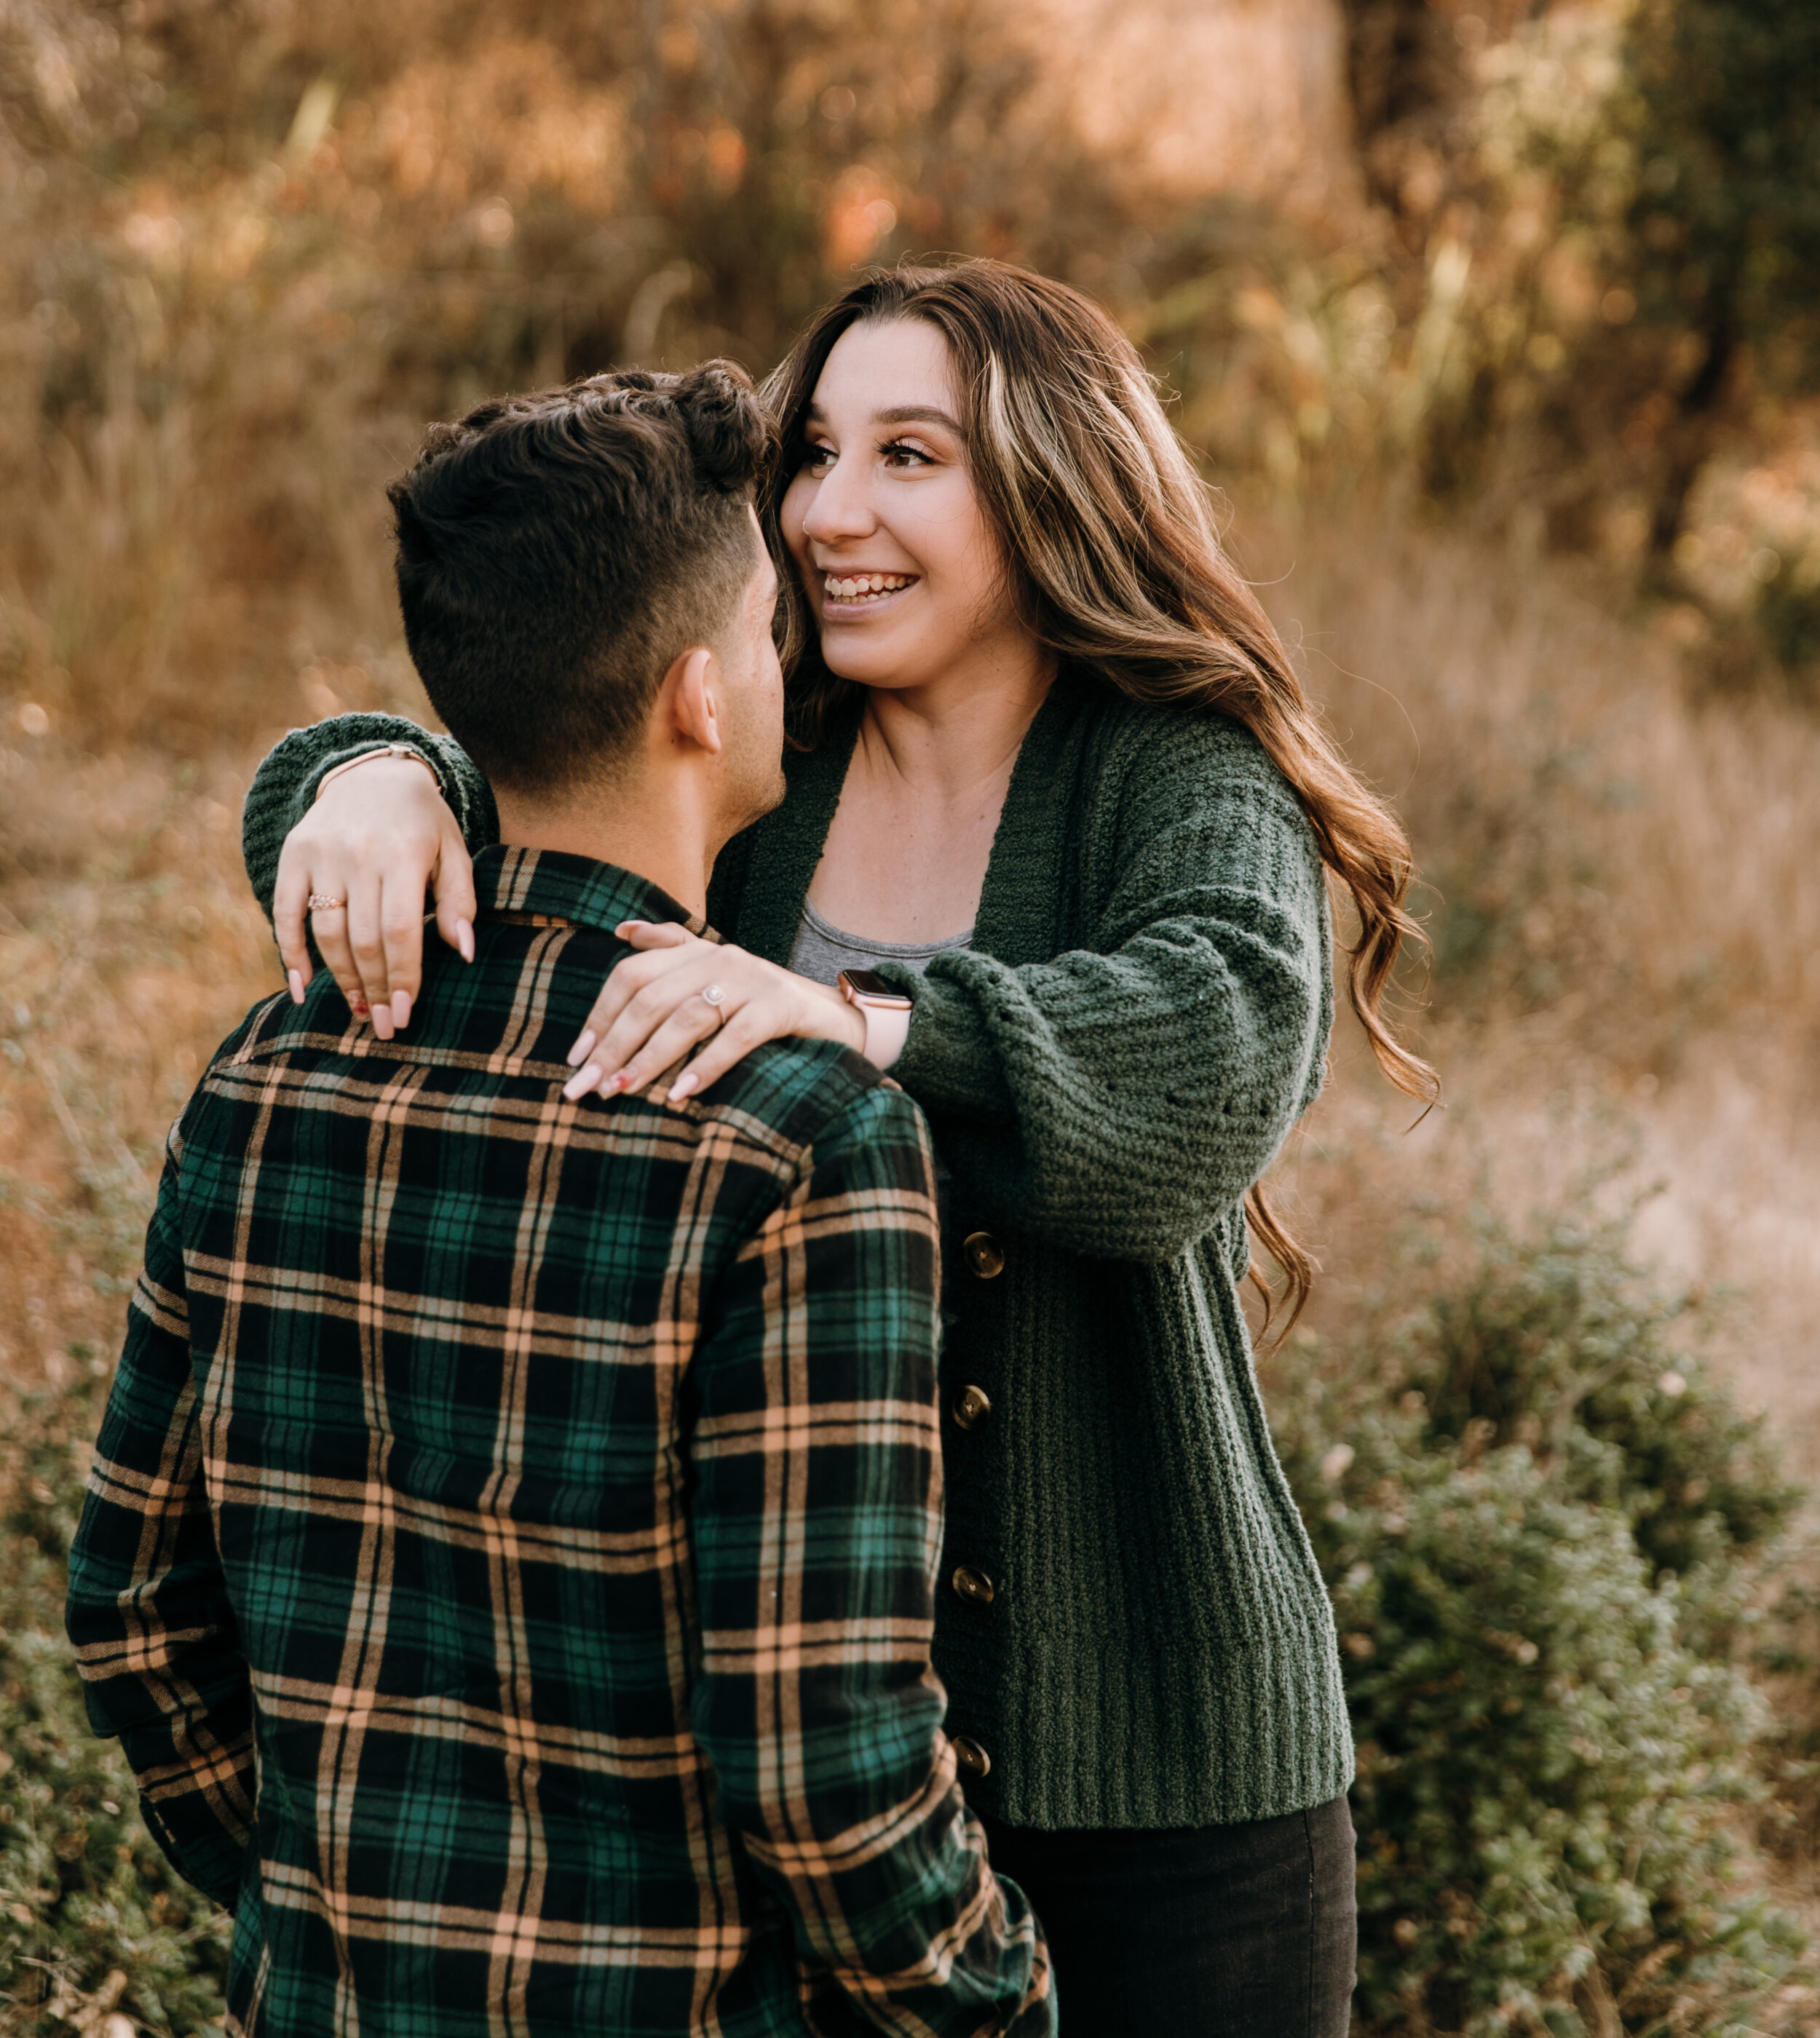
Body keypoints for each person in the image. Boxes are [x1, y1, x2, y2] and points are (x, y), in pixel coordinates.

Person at [240, 260, 1435, 2037]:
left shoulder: (1174, 772)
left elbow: (1214, 1056)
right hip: (809, 1770)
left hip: (1172, 1777)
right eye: (810, 452)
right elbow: (533, 751)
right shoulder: (755, 759)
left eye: (908, 456)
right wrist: (366, 774)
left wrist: (869, 1024)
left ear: (1052, 484)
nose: (827, 512)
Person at [66, 362, 1056, 2038]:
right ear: (698, 699)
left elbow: (134, 1609)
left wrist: (321, 1891)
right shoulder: (799, 1133)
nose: (784, 658)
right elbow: (827, 1765)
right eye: (762, 630)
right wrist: (995, 2001)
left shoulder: (266, 1073)